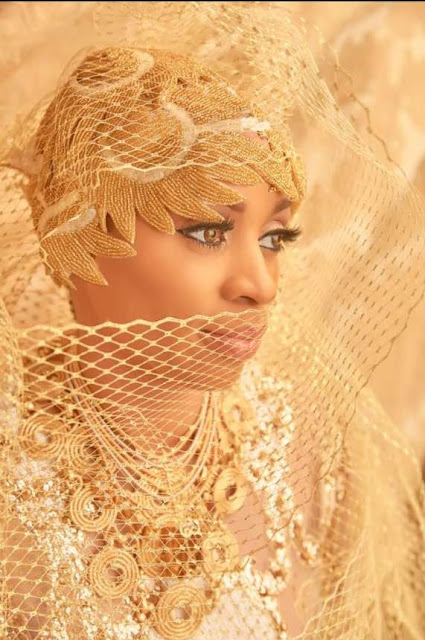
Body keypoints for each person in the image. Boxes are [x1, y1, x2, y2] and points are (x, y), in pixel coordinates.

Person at [0, 3, 424, 639]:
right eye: (207, 232)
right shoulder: (14, 494)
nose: (261, 285)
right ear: (77, 236)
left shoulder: (299, 451)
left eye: (275, 238)